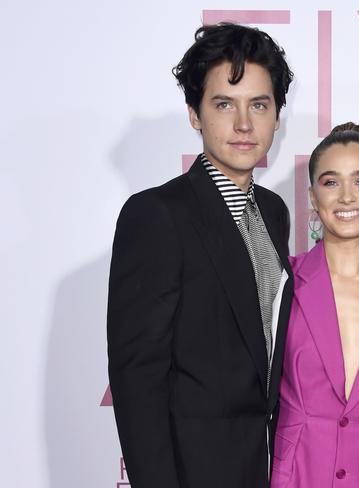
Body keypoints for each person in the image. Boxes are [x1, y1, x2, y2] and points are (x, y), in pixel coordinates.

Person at [107, 23, 293, 488]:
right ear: (194, 114)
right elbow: (137, 381)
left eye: (259, 105)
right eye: (224, 104)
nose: (244, 124)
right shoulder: (156, 215)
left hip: (266, 467)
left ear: (276, 116)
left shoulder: (273, 213)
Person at [270, 123, 359, 488]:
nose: (347, 197)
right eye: (331, 182)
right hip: (295, 471)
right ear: (313, 196)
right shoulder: (282, 280)